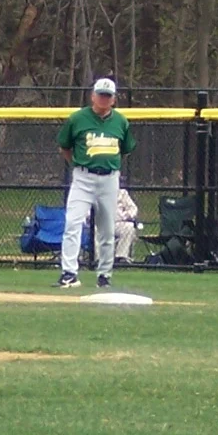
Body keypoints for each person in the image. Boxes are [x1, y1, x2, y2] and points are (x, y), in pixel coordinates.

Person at [56, 75, 136, 289]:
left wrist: (108, 165)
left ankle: (104, 275)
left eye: (108, 96)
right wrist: (79, 164)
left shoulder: (121, 121)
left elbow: (126, 149)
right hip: (83, 177)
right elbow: (64, 146)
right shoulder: (78, 119)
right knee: (73, 223)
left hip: (109, 179)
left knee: (107, 229)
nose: (103, 99)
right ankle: (69, 273)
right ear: (92, 96)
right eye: (100, 95)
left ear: (113, 99)